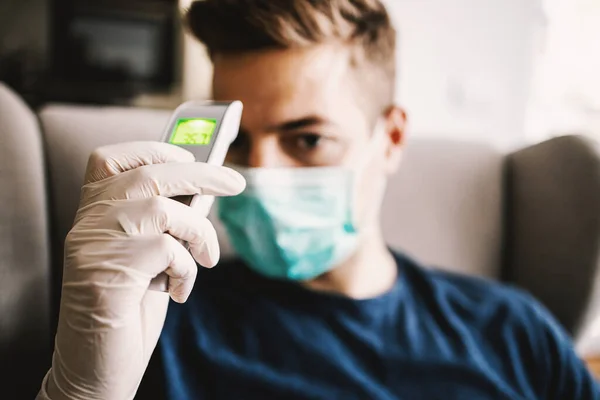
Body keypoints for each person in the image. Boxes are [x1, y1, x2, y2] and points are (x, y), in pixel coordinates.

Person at [37, 1, 600, 399]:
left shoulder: (512, 332)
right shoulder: (152, 326)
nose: (260, 171)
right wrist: (84, 393)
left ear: (392, 138)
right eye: (241, 143)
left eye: (308, 139)